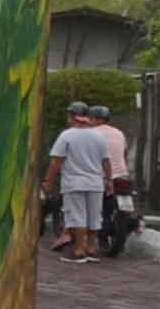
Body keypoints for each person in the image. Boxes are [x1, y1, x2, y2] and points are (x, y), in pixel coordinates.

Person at [48, 103, 126, 261]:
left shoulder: (67, 136)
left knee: (77, 217)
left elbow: (56, 161)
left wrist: (48, 180)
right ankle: (91, 249)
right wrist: (109, 181)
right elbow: (106, 161)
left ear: (72, 117)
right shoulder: (99, 136)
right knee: (94, 217)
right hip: (96, 184)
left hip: (74, 183)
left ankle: (79, 251)